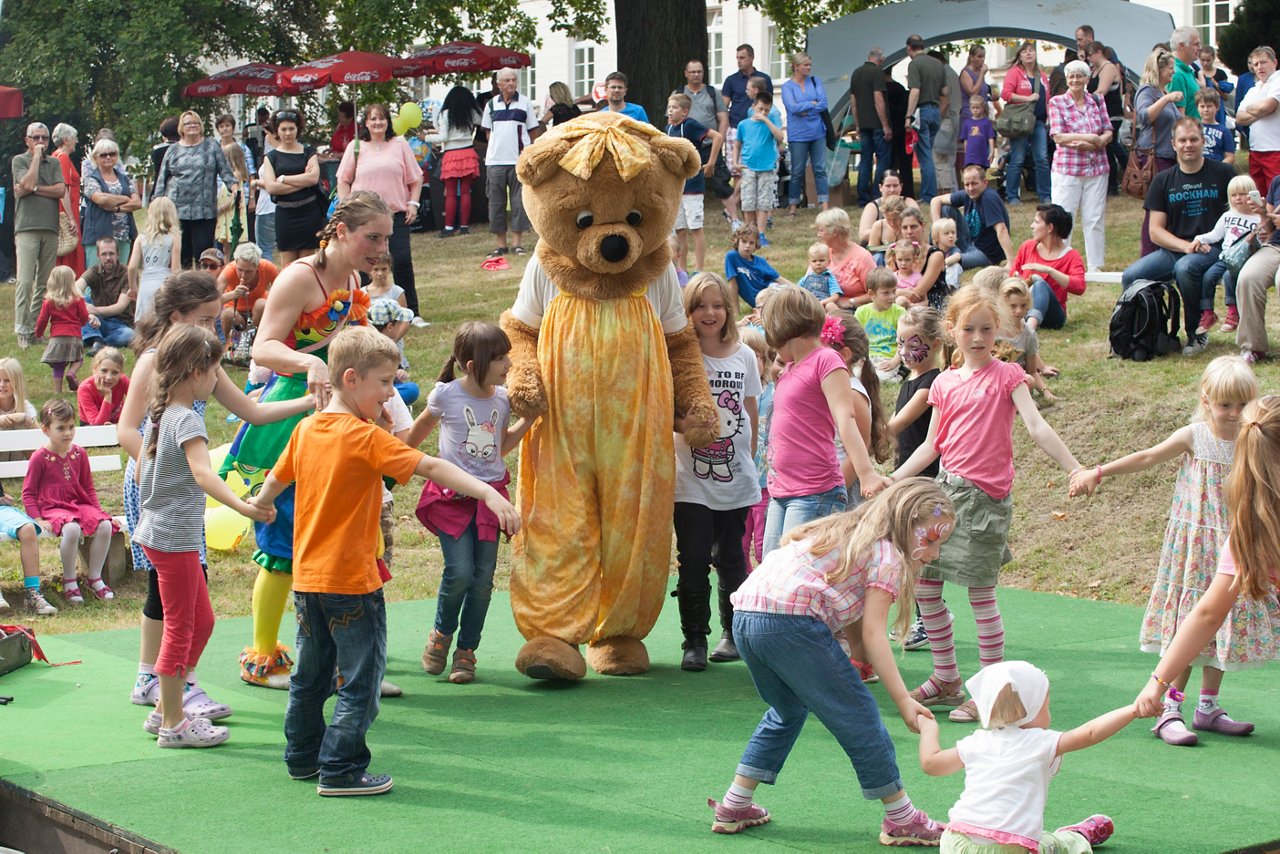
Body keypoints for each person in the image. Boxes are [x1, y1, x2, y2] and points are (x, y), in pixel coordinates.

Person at [251, 325, 517, 794]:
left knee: (311, 677)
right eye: (385, 383)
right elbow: (431, 465)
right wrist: (490, 497)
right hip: (353, 582)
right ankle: (341, 769)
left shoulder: (307, 429)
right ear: (351, 379)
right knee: (361, 681)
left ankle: (301, 757)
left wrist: (263, 504)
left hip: (309, 582)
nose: (391, 393)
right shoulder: (364, 437)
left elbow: (275, 479)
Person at [883, 286, 1089, 723]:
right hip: (944, 495)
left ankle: (991, 688)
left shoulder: (1008, 376)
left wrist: (1075, 467)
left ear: (999, 331)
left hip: (984, 502)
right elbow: (932, 446)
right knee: (925, 587)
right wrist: (893, 480)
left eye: (987, 329)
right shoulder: (943, 383)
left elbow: (1036, 426)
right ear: (951, 331)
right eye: (969, 329)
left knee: (980, 595)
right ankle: (946, 678)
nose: (977, 337)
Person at [707, 478, 951, 845]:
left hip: (746, 617)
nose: (933, 553)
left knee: (786, 710)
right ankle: (902, 819)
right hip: (792, 624)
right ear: (904, 524)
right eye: (930, 540)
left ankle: (734, 805)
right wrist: (903, 699)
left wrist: (855, 659)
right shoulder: (888, 555)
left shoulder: (844, 531)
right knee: (860, 717)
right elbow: (873, 632)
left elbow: (853, 616)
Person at [121, 272, 313, 717]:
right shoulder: (157, 362)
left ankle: (163, 680)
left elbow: (253, 411)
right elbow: (126, 429)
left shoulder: (201, 361)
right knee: (169, 588)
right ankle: (159, 681)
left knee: (183, 590)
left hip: (186, 481)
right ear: (176, 318)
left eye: (214, 319)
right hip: (158, 484)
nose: (213, 330)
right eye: (204, 320)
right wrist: (165, 468)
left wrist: (307, 402)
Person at [222, 193, 386, 691]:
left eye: (384, 237)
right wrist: (310, 363)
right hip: (292, 417)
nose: (380, 248)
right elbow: (265, 346)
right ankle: (262, 656)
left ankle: (343, 658)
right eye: (371, 237)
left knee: (344, 533)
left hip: (342, 415)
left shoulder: (353, 282)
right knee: (282, 539)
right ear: (340, 232)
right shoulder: (298, 277)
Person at [1073, 356, 1260, 745]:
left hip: (1232, 543)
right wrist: (1099, 471)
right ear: (1207, 400)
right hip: (1195, 547)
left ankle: (1208, 706)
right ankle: (1170, 707)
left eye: (1243, 405)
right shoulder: (1194, 435)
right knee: (1189, 623)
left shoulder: (1251, 439)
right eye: (1226, 404)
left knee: (1220, 623)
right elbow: (1147, 457)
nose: (1234, 413)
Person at [134, 324, 271, 747]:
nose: (216, 381)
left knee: (203, 621)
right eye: (213, 372)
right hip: (172, 538)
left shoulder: (162, 415)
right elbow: (203, 473)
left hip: (166, 534)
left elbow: (145, 473)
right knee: (180, 625)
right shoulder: (186, 419)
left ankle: (165, 708)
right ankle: (174, 722)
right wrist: (246, 506)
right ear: (195, 372)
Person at [1133, 396, 1280, 725]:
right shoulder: (1249, 532)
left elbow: (1207, 615)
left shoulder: (1247, 532)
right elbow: (1207, 614)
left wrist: (1155, 684)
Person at [409, 321, 528, 682]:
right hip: (452, 499)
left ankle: (467, 650)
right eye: (500, 358)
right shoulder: (446, 396)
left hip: (490, 502)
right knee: (460, 572)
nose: (508, 364)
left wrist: (530, 419)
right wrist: (393, 462)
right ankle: (442, 634)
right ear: (473, 365)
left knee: (482, 579)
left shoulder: (503, 399)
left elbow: (500, 447)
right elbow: (414, 437)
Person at [917, 660, 1130, 853]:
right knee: (1050, 845)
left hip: (955, 841)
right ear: (1034, 710)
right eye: (1046, 706)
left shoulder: (977, 741)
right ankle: (1076, 837)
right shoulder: (1041, 742)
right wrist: (1133, 710)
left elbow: (931, 763)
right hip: (1009, 848)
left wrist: (928, 727)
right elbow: (1090, 733)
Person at [664, 274, 761, 670]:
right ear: (686, 311)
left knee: (732, 558)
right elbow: (665, 411)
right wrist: (682, 427)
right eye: (700, 306)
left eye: (718, 305)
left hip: (735, 476)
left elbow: (750, 412)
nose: (710, 313)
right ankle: (694, 640)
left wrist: (748, 461)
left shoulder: (745, 355)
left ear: (729, 310)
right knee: (694, 559)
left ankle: (732, 633)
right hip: (690, 480)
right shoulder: (680, 358)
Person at [758, 287, 888, 557]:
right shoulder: (792, 368)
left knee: (799, 570)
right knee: (771, 569)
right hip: (782, 490)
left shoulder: (826, 360)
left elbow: (846, 418)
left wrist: (866, 474)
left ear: (779, 327)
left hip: (813, 491)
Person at [1121, 118, 1235, 355]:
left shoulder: (1224, 173)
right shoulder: (1163, 180)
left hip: (1213, 248)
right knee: (1132, 275)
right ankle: (1145, 334)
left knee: (1185, 269)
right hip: (1176, 249)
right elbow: (1155, 231)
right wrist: (1184, 246)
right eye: (1182, 140)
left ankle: (1195, 334)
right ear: (1173, 144)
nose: (1188, 144)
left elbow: (1242, 212)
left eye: (1194, 139)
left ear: (1203, 141)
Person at [23, 398, 119, 605]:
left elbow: (88, 488)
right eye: (60, 428)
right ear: (46, 429)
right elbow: (28, 493)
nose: (67, 433)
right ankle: (69, 580)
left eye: (71, 427)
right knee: (72, 530)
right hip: (52, 507)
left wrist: (99, 512)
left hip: (78, 504)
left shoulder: (79, 454)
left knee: (104, 526)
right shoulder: (40, 458)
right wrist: (37, 518)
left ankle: (94, 577)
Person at [336, 104, 422, 316]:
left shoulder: (399, 144)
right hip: (364, 218)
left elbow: (416, 177)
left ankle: (410, 311)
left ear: (388, 122)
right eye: (373, 119)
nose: (378, 123)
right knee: (365, 263)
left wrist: (413, 203)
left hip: (396, 214)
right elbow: (343, 180)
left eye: (382, 119)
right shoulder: (356, 147)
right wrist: (348, 207)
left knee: (401, 260)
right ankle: (364, 310)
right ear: (365, 122)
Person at [154, 110, 239, 268]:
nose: (192, 126)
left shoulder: (211, 146)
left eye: (196, 123)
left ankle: (201, 287)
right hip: (177, 210)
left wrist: (233, 187)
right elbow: (162, 178)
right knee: (180, 254)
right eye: (188, 123)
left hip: (204, 210)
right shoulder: (173, 150)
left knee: (204, 253)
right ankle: (183, 287)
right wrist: (157, 202)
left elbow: (225, 171)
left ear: (201, 126)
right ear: (181, 128)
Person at [1048, 60, 1111, 272]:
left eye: (1079, 76)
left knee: (1094, 216)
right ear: (1067, 80)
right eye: (1071, 77)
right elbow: (1058, 136)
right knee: (1064, 216)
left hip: (1097, 167)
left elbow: (1108, 130)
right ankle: (1061, 262)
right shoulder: (1057, 102)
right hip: (1068, 169)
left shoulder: (1097, 100)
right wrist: (1090, 138)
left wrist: (1099, 141)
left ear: (1087, 79)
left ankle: (1095, 265)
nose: (1075, 80)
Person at [12, 122, 66, 350]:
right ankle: (22, 330)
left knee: (44, 283)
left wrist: (33, 189)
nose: (41, 142)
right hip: (26, 228)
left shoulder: (54, 162)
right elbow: (26, 181)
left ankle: (35, 330)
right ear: (27, 140)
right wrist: (35, 158)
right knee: (25, 281)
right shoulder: (19, 160)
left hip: (50, 227)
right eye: (36, 138)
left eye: (44, 138)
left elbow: (60, 190)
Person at [481, 68, 542, 259]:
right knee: (496, 202)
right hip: (495, 161)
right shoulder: (491, 105)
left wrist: (526, 152)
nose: (511, 84)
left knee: (519, 202)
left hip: (518, 160)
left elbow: (533, 131)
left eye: (514, 80)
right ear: (498, 84)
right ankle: (501, 244)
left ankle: (517, 242)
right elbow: (488, 132)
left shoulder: (525, 104)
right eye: (506, 80)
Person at [1192, 175, 1258, 336]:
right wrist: (1199, 238)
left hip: (1244, 261)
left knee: (1229, 277)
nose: (1238, 198)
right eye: (1234, 195)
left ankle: (1233, 313)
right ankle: (1208, 313)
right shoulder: (1228, 216)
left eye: (1243, 194)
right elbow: (1215, 235)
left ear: (1252, 194)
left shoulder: (1257, 219)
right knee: (1208, 277)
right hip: (1226, 257)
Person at [1134, 48, 1184, 254]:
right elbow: (1144, 116)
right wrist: (1166, 99)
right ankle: (1149, 254)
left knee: (1168, 207)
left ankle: (1164, 250)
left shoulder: (1162, 92)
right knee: (1155, 208)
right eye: (1170, 68)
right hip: (1156, 158)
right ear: (1159, 69)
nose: (1173, 72)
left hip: (1170, 158)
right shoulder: (1147, 92)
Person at [257, 109, 322, 268]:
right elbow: (271, 188)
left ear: (297, 129)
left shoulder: (308, 152)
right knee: (287, 267)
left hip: (309, 212)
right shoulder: (271, 157)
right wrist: (302, 181)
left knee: (307, 265)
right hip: (285, 214)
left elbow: (313, 178)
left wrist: (285, 179)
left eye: (291, 129)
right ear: (277, 131)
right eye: (283, 129)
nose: (288, 133)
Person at [666, 93, 724, 272]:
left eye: (674, 108)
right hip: (676, 187)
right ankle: (682, 269)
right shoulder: (668, 129)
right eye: (669, 108)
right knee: (680, 230)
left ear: (684, 111)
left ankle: (699, 269)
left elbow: (717, 137)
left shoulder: (690, 125)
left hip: (693, 186)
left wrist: (711, 162)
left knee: (695, 228)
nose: (670, 111)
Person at [1009, 203, 1086, 332]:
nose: (1032, 226)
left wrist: (1049, 271)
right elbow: (1010, 277)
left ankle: (1030, 330)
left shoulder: (1071, 256)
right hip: (1022, 308)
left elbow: (1080, 287)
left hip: (1053, 316)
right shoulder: (1027, 247)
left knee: (1040, 284)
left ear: (1049, 227)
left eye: (1036, 222)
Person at [676, 59, 735, 224]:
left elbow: (723, 119)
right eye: (692, 71)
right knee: (682, 183)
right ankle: (681, 222)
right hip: (687, 147)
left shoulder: (712, 92)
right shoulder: (679, 93)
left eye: (699, 71)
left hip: (710, 145)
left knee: (721, 182)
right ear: (686, 74)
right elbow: (672, 119)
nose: (696, 75)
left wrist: (720, 139)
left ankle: (734, 219)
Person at [931, 164, 1014, 269]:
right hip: (970, 243)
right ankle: (936, 249)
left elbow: (1001, 229)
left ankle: (944, 258)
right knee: (945, 209)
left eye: (974, 184)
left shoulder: (989, 198)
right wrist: (937, 229)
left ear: (985, 182)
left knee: (956, 259)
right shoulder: (967, 194)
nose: (970, 188)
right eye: (967, 184)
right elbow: (935, 200)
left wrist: (1011, 262)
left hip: (985, 254)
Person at [1002, 42, 1051, 205]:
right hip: (1021, 123)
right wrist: (1027, 98)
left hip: (1039, 122)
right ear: (1020, 56)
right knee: (1017, 158)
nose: (1028, 53)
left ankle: (1045, 195)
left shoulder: (1042, 76)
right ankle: (1012, 196)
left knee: (1042, 158)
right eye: (1024, 51)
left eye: (1031, 51)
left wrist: (1049, 116)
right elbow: (1006, 94)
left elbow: (1047, 99)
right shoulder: (1014, 73)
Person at [429, 86, 482, 238]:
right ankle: (464, 226)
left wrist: (426, 138)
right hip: (468, 152)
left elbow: (443, 137)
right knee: (466, 191)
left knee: (450, 193)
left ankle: (449, 227)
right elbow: (483, 120)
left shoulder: (445, 113)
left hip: (451, 154)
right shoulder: (471, 112)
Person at [781, 53, 830, 216]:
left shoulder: (815, 82)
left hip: (818, 132)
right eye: (805, 65)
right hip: (798, 134)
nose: (808, 68)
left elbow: (823, 103)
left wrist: (805, 109)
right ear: (796, 67)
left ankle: (824, 205)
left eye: (810, 64)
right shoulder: (787, 87)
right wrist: (811, 104)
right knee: (797, 171)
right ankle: (793, 206)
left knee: (820, 169)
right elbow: (791, 107)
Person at [81, 139, 141, 269]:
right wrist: (125, 197)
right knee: (95, 276)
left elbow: (137, 203)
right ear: (95, 158)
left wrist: (117, 208)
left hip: (124, 235)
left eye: (112, 154)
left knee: (121, 275)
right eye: (103, 155)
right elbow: (101, 199)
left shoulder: (125, 178)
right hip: (98, 236)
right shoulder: (91, 179)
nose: (108, 157)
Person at [733, 91, 780, 253]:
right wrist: (735, 162)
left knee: (764, 202)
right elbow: (738, 144)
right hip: (748, 167)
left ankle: (761, 233)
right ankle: (749, 231)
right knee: (748, 202)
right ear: (753, 107)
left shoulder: (771, 122)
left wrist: (767, 120)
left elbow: (780, 137)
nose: (763, 112)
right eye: (761, 109)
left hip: (766, 167)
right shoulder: (744, 125)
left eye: (767, 110)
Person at [34, 265, 91, 396]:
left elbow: (42, 319)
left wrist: (38, 333)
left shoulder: (49, 301)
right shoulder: (78, 299)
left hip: (57, 338)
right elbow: (83, 316)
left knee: (58, 365)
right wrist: (82, 323)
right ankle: (72, 373)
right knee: (78, 359)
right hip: (74, 336)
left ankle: (57, 391)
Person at [904, 35, 947, 202]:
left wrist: (908, 116)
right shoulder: (937, 63)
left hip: (921, 112)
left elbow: (915, 91)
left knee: (925, 155)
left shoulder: (914, 64)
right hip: (935, 111)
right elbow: (945, 92)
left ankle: (928, 195)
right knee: (928, 152)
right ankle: (929, 192)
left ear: (909, 47)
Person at [997, 278, 1056, 399]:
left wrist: (1046, 392)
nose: (1019, 311)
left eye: (1023, 305)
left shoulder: (1028, 334)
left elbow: (1032, 371)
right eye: (1012, 306)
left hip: (1019, 383)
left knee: (1029, 380)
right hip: (993, 382)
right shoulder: (991, 329)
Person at [849, 48, 894, 206]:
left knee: (865, 160)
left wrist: (857, 124)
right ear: (880, 60)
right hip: (877, 125)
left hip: (864, 124)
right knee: (882, 160)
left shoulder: (856, 73)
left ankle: (862, 197)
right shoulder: (877, 73)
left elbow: (853, 102)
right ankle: (877, 194)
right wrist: (885, 125)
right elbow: (878, 99)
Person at [1084, 41, 1130, 195]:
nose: (1089, 59)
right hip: (1099, 115)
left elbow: (1101, 92)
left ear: (1098, 52)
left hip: (1112, 114)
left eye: (1090, 55)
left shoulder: (1108, 67)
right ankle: (1126, 173)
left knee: (1109, 146)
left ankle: (1114, 184)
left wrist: (1083, 101)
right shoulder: (1094, 70)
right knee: (1111, 147)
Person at [1233, 47, 1280, 196]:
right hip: (1256, 150)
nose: (1259, 67)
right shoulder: (1254, 89)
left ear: (1274, 62)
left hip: (1275, 149)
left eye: (1263, 62)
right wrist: (1260, 112)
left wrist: (1257, 109)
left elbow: (1267, 106)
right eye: (1255, 64)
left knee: (1276, 197)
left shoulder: (1278, 81)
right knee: (1259, 197)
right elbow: (1239, 118)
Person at [127, 197, 181, 321]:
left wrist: (133, 287)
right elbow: (175, 268)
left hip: (146, 283)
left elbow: (132, 267)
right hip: (164, 283)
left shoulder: (141, 238)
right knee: (162, 321)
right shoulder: (174, 237)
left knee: (144, 322)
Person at [78, 238, 135, 351]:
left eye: (111, 254)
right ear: (98, 255)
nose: (108, 258)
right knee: (83, 300)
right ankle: (95, 339)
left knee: (130, 335)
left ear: (118, 254)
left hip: (120, 324)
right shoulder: (94, 271)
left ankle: (96, 340)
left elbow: (120, 306)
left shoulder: (127, 274)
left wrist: (96, 310)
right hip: (96, 320)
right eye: (104, 254)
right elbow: (74, 288)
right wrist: (89, 314)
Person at [815, 208, 875, 310]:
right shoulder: (822, 253)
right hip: (820, 307)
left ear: (834, 232)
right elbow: (808, 280)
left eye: (821, 231)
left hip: (851, 311)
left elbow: (877, 292)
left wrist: (851, 302)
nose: (819, 235)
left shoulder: (862, 257)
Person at [856, 268, 907, 383]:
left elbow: (905, 341)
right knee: (856, 377)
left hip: (888, 357)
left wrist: (895, 361)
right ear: (871, 294)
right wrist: (859, 357)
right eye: (886, 293)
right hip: (868, 357)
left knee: (879, 379)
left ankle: (900, 374)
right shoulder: (861, 312)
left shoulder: (900, 312)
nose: (892, 297)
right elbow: (857, 339)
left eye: (894, 291)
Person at [724, 224, 789, 309]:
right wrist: (735, 312)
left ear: (756, 244)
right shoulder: (732, 257)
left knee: (794, 297)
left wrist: (798, 290)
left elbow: (779, 279)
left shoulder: (760, 261)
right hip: (761, 301)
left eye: (751, 243)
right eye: (744, 241)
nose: (747, 245)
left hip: (772, 291)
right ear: (737, 241)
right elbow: (733, 285)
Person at [366, 299, 417, 406]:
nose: (401, 326)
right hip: (372, 391)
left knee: (408, 388)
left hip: (378, 389)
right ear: (390, 326)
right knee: (412, 390)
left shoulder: (368, 342)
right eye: (399, 323)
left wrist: (399, 371)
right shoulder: (380, 349)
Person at [49, 124, 85, 277]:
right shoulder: (62, 158)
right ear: (65, 140)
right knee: (70, 252)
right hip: (66, 212)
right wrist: (71, 218)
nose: (76, 141)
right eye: (74, 138)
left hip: (59, 211)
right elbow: (63, 190)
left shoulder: (54, 156)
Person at [858, 170, 914, 245]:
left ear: (901, 187)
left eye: (895, 186)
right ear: (880, 187)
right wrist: (883, 232)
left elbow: (918, 228)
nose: (892, 190)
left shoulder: (909, 203)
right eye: (888, 186)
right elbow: (863, 235)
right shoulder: (873, 206)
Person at [77, 346, 128, 426]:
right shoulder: (85, 388)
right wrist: (108, 395)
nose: (109, 377)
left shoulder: (123, 381)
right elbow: (97, 426)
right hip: (90, 427)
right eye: (104, 371)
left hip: (117, 423)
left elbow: (140, 402)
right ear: (95, 370)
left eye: (115, 372)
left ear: (121, 373)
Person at [1168, 27, 1204, 119]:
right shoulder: (1176, 74)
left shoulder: (1186, 70)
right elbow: (1179, 117)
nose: (1200, 48)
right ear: (1181, 46)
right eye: (1196, 44)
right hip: (1188, 132)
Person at [1197, 89, 1235, 165]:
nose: (1206, 110)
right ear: (1197, 108)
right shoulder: (1193, 128)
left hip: (1216, 166)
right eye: (1202, 106)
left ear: (1217, 107)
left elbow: (1230, 157)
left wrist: (1218, 168)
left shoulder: (1224, 131)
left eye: (1209, 106)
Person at [960, 96, 995, 170]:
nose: (975, 110)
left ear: (983, 108)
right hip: (970, 156)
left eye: (977, 108)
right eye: (973, 108)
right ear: (970, 108)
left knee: (981, 174)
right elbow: (965, 140)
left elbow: (991, 138)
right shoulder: (967, 123)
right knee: (971, 173)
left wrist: (992, 151)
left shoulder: (987, 123)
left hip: (982, 155)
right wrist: (966, 153)